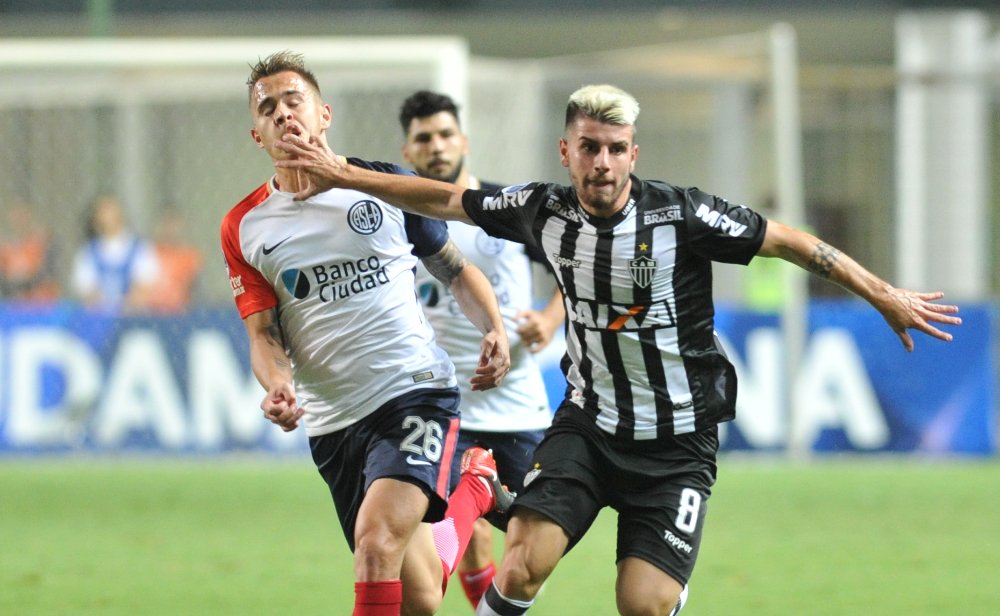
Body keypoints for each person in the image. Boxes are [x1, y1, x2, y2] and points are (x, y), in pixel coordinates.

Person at [272, 83, 962, 616]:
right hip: (590, 428)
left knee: (641, 602)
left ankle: (665, 580)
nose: (602, 162)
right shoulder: (542, 209)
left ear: (635, 153)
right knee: (518, 567)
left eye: (615, 148)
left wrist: (882, 293)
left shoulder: (682, 214)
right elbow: (446, 199)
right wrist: (346, 175)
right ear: (566, 152)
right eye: (589, 147)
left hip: (677, 445)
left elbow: (790, 241)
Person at [221, 51, 515, 616]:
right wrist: (277, 384)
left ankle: (469, 482)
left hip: (414, 391)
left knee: (376, 545)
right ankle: (475, 487)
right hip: (333, 421)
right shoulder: (245, 226)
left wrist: (494, 328)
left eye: (293, 100)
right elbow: (262, 332)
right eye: (267, 108)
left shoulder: (384, 186)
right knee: (421, 598)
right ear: (257, 134)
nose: (283, 114)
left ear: (322, 114)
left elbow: (453, 267)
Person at [399, 90, 565, 608]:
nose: (437, 146)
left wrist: (550, 317)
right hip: (446, 402)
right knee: (460, 537)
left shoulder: (505, 207)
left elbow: (572, 267)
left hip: (517, 403)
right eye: (423, 138)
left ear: (463, 141)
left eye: (445, 134)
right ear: (407, 153)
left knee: (524, 545)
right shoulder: (399, 217)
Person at [71, 194, 161, 313]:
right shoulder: (87, 253)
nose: (107, 216)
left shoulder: (141, 249)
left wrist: (123, 309)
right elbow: (88, 293)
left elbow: (143, 290)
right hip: (100, 322)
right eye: (101, 211)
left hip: (133, 320)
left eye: (109, 209)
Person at [0, 198, 60, 302]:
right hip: (14, 303)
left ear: (30, 213)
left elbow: (47, 272)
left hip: (41, 302)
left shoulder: (44, 241)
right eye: (15, 212)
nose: (19, 217)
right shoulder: (5, 248)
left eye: (23, 212)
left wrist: (20, 280)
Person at [148, 205, 204, 313]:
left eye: (173, 223)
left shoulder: (190, 256)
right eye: (166, 223)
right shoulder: (149, 253)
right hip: (153, 312)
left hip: (181, 313)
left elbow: (197, 291)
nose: (169, 228)